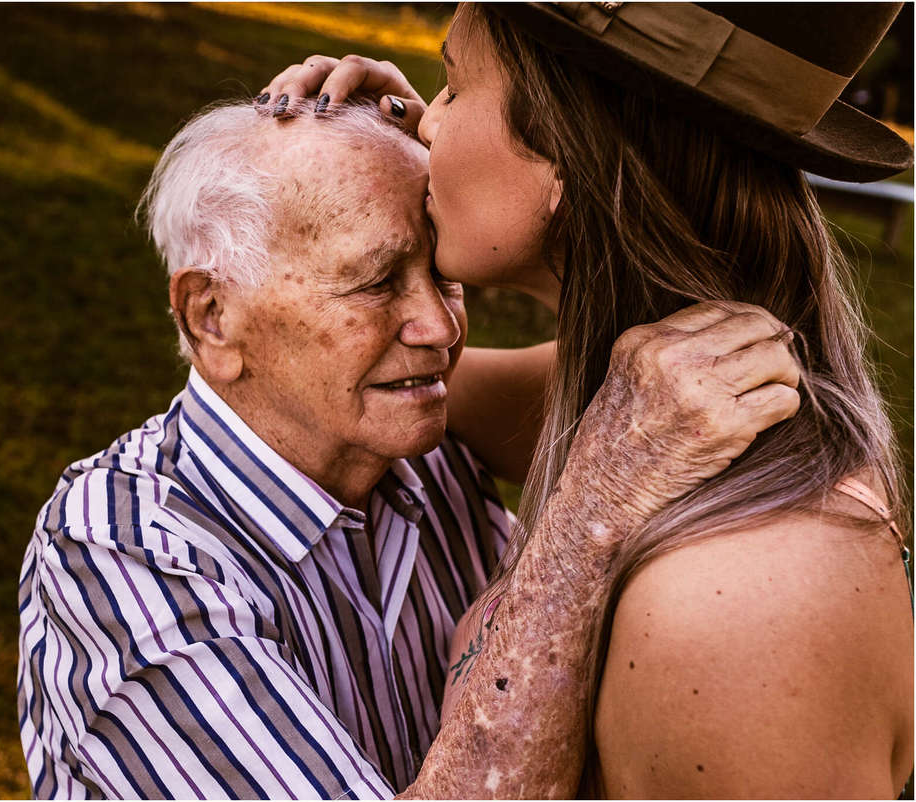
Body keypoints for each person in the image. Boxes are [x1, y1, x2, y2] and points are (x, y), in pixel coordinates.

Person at [16, 97, 801, 798]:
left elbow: (710, 333)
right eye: (375, 283)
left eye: (444, 274)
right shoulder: (121, 552)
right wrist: (585, 522)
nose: (441, 330)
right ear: (212, 317)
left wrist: (459, 148)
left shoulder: (414, 440)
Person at [262, 2, 914, 797]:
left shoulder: (744, 606)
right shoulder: (647, 413)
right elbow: (342, 383)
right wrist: (376, 186)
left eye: (456, 88)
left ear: (561, 156)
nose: (428, 128)